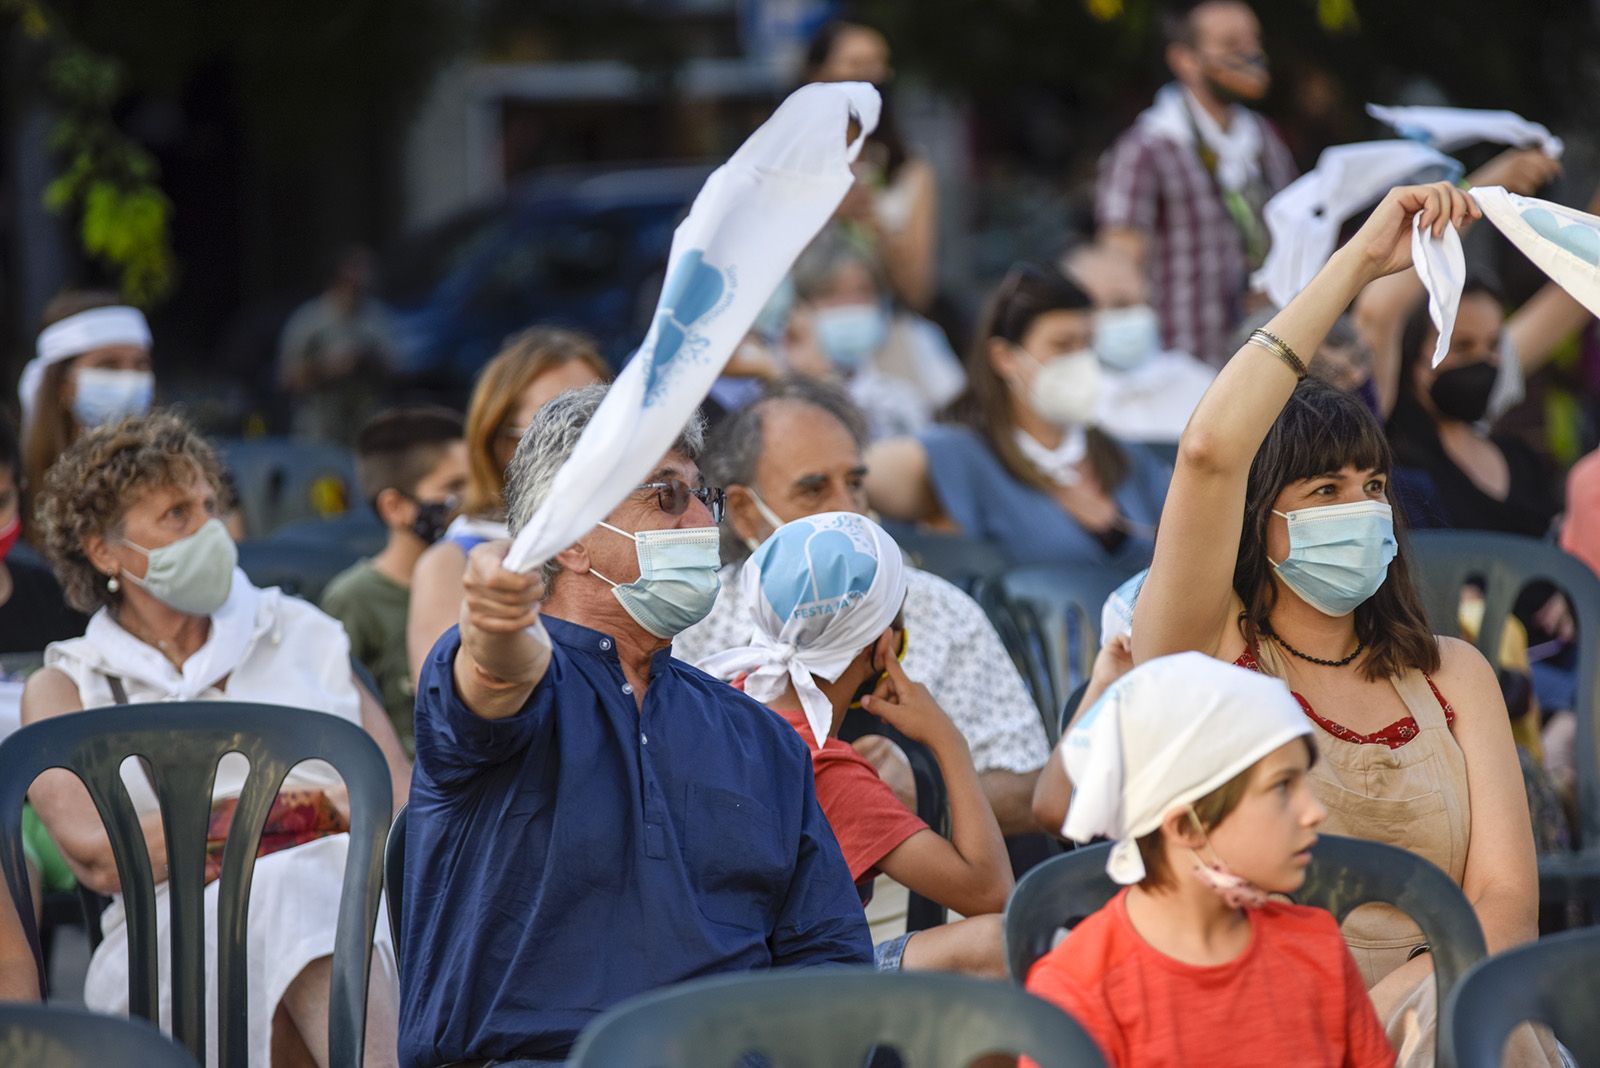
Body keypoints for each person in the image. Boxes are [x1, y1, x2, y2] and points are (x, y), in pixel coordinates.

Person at [1129, 182, 1555, 1065]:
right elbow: (1208, 454)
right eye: (1324, 490)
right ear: (1258, 521)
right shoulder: (1206, 654)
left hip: (1441, 1008)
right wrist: (1359, 263)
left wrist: (1408, 1004)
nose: (1359, 508)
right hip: (1258, 1020)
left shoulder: (1452, 675)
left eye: (1372, 487)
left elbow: (1507, 902)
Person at [400, 384, 871, 1067]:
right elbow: (497, 676)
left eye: (703, 496)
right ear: (571, 539)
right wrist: (496, 626)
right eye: (668, 496)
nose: (701, 523)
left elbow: (829, 959)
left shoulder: (761, 739)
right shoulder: (509, 692)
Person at [22, 412, 412, 1067]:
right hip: (167, 950)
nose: (210, 530)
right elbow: (102, 857)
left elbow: (397, 801)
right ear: (104, 550)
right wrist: (312, 810)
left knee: (304, 891)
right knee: (294, 883)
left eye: (210, 506)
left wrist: (204, 833)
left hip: (360, 920)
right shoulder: (69, 684)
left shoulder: (303, 631)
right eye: (177, 514)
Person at [674, 377, 1050, 833]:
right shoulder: (696, 623)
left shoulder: (937, 609)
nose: (847, 509)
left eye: (855, 483)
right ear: (744, 512)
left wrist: (925, 792)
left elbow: (1034, 792)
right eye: (814, 490)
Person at [1026, 653, 1394, 1068]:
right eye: (1282, 787)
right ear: (1186, 826)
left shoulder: (1317, 947)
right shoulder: (1079, 991)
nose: (1314, 812)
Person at [701, 511, 1012, 977]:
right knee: (997, 943)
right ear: (882, 648)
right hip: (787, 995)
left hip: (714, 984)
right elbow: (991, 893)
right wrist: (949, 742)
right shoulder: (822, 768)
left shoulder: (731, 700)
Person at [866, 265, 1169, 571]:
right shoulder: (962, 454)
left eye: (1088, 344)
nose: (1081, 360)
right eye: (1062, 345)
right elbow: (855, 475)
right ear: (1004, 357)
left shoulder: (1127, 459)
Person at [1095, 0, 1298, 367]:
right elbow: (1119, 266)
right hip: (1182, 362)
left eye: (1254, 41)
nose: (1251, 55)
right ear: (1185, 60)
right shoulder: (1148, 148)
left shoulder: (1263, 139)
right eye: (1231, 45)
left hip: (1263, 357)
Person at [405, 327, 607, 685]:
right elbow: (445, 703)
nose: (586, 444)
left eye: (600, 420)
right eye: (558, 425)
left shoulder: (648, 532)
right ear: (501, 444)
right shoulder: (450, 563)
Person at [322, 406, 468, 755]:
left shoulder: (488, 582)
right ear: (395, 507)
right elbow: (338, 724)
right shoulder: (355, 600)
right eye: (455, 486)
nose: (473, 498)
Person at [803, 18, 938, 313]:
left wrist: (873, 222)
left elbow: (918, 292)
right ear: (816, 75)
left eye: (877, 65)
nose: (870, 78)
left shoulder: (907, 170)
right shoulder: (789, 167)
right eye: (855, 65)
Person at [784, 226, 964, 440]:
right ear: (800, 306)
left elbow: (957, 416)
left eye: (862, 292)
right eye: (830, 294)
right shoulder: (781, 365)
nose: (850, 306)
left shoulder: (909, 341)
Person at [20, 290, 156, 533]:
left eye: (141, 364)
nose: (129, 380)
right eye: (108, 365)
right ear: (62, 384)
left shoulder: (186, 478)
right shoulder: (16, 491)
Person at [1061, 243, 1215, 445]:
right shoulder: (1066, 405)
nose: (1108, 315)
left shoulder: (1199, 384)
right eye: (1093, 307)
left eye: (1123, 303)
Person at [277, 245, 399, 444]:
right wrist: (327, 367)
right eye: (353, 276)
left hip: (365, 427)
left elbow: (395, 370)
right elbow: (287, 379)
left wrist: (363, 361)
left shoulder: (377, 318)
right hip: (319, 429)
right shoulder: (309, 320)